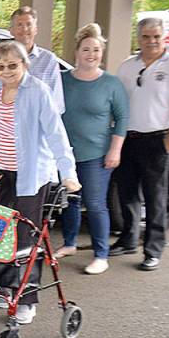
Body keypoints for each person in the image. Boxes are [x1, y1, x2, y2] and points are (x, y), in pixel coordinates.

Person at [0, 41, 80, 325]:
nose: (7, 71)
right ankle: (2, 288)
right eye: (1, 67)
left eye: (13, 65)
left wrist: (68, 173)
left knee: (25, 240)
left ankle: (26, 299)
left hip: (32, 177)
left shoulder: (38, 92)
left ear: (24, 65)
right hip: (2, 176)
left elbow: (58, 136)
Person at [112, 18, 169, 271]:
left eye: (156, 36)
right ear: (138, 39)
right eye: (146, 37)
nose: (151, 41)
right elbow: (117, 102)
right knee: (126, 194)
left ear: (164, 37)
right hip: (128, 139)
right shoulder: (127, 66)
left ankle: (153, 249)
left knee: (155, 198)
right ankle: (128, 240)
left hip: (156, 141)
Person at [55, 24, 128, 275]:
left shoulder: (111, 83)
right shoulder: (62, 80)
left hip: (96, 154)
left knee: (95, 204)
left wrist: (115, 150)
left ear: (101, 52)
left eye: (96, 50)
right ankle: (69, 243)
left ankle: (101, 255)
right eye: (86, 49)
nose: (91, 54)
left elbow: (122, 118)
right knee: (70, 202)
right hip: (66, 155)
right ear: (77, 51)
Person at [0, 6, 64, 113]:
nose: (25, 29)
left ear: (36, 29)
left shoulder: (49, 60)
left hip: (38, 124)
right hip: (5, 122)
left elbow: (56, 102)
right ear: (11, 30)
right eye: (19, 25)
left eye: (29, 24)